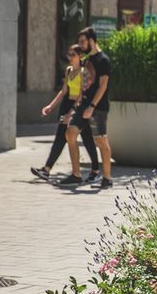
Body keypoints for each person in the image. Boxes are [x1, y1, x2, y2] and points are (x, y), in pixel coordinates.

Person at [30, 45, 92, 180]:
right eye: (69, 55)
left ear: (80, 56)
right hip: (67, 105)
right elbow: (63, 91)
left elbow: (82, 95)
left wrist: (71, 113)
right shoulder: (69, 70)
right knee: (60, 137)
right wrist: (50, 106)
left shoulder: (83, 72)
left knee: (88, 139)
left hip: (79, 107)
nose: (70, 58)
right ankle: (47, 169)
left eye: (73, 55)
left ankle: (96, 170)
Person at [62, 26, 112, 189]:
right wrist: (72, 110)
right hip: (83, 105)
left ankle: (107, 178)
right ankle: (76, 175)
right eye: (79, 42)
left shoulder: (103, 60)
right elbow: (84, 86)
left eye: (83, 41)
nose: (81, 45)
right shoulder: (86, 60)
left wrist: (92, 106)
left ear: (91, 40)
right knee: (70, 134)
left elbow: (103, 86)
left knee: (101, 141)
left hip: (97, 107)